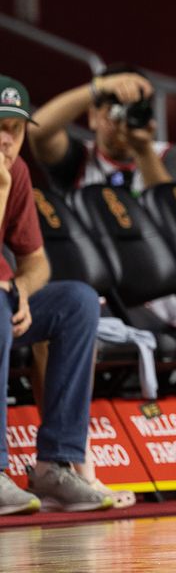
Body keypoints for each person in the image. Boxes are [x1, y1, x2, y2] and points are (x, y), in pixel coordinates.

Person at [0, 75, 111, 515]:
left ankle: (55, 465)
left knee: (77, 302)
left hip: (8, 300)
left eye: (15, 129)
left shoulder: (20, 172)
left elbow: (37, 262)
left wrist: (24, 290)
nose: (7, 139)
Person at [27, 66, 176, 196]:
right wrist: (99, 87)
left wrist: (143, 150)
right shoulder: (78, 159)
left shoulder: (171, 156)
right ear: (93, 116)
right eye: (114, 109)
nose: (122, 120)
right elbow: (37, 129)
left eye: (130, 110)